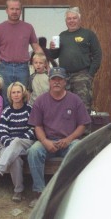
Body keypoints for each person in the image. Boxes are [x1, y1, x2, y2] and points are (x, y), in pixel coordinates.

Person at [26, 67, 91, 208]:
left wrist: (69, 139)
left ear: (65, 82)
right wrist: (44, 141)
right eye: (53, 79)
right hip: (47, 141)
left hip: (69, 141)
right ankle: (39, 193)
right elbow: (37, 126)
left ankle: (70, 192)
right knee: (33, 151)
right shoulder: (40, 101)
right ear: (49, 81)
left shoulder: (75, 100)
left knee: (79, 150)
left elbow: (82, 125)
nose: (56, 82)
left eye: (59, 79)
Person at [0, 0, 43, 107]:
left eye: (17, 9)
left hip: (22, 68)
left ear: (20, 10)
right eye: (12, 9)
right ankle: (7, 123)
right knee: (6, 98)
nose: (15, 12)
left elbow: (37, 48)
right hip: (4, 68)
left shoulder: (28, 27)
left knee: (24, 97)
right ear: (7, 10)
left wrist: (47, 66)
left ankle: (22, 123)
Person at [0, 82, 36, 202]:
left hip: (25, 142)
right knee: (15, 160)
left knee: (17, 141)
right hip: (9, 145)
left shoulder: (30, 109)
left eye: (18, 92)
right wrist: (11, 145)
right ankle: (18, 191)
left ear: (23, 93)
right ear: (10, 94)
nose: (16, 95)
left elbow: (34, 129)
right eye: (13, 92)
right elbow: (2, 132)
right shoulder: (6, 111)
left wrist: (18, 141)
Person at [49, 7, 102, 113]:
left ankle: (85, 130)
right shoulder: (62, 35)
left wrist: (90, 74)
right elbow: (54, 55)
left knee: (83, 106)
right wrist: (52, 49)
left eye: (74, 18)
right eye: (69, 19)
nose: (71, 21)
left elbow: (98, 54)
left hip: (82, 76)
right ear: (66, 21)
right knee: (64, 106)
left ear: (79, 20)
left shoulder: (88, 34)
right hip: (64, 77)